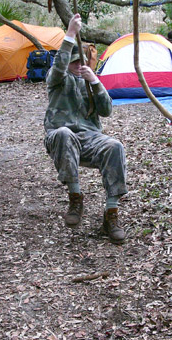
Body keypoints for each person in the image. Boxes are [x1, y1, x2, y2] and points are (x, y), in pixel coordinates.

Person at [44, 14, 128, 245]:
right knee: (64, 133)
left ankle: (111, 214)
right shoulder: (57, 79)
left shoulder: (89, 81)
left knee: (114, 146)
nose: (77, 66)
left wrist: (95, 82)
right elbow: (58, 68)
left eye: (80, 62)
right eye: (73, 62)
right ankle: (75, 197)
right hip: (60, 137)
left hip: (89, 139)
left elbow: (107, 110)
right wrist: (70, 33)